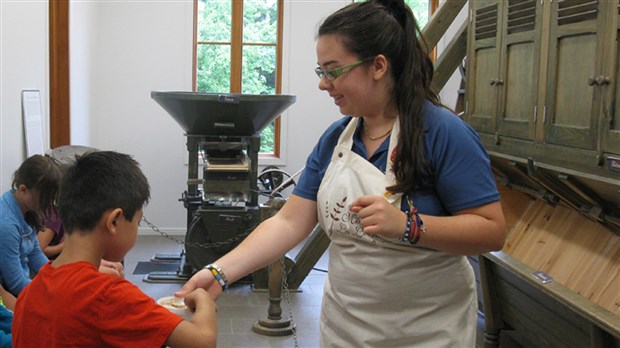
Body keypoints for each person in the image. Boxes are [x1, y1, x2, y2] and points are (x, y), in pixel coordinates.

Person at [177, 0, 506, 346]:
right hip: (346, 328)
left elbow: (491, 230)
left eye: (333, 70)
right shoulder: (338, 139)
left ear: (378, 66)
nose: (323, 84)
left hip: (424, 331)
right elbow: (289, 223)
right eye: (321, 72)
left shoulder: (443, 133)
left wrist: (408, 226)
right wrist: (220, 273)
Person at [13, 151, 217, 347]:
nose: (137, 229)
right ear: (114, 221)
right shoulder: (108, 295)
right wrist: (203, 298)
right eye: (137, 222)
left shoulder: (29, 293)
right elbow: (202, 341)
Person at [0, 154, 62, 297]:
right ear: (23, 190)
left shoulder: (26, 209)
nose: (47, 203)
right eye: (44, 198)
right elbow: (16, 284)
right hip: (11, 292)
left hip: (25, 279)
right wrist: (52, 291)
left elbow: (35, 253)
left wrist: (56, 276)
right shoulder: (6, 225)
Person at [38, 204, 125, 277]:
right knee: (113, 273)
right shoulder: (53, 217)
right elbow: (41, 248)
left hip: (76, 256)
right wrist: (64, 245)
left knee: (118, 267)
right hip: (62, 260)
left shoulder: (75, 212)